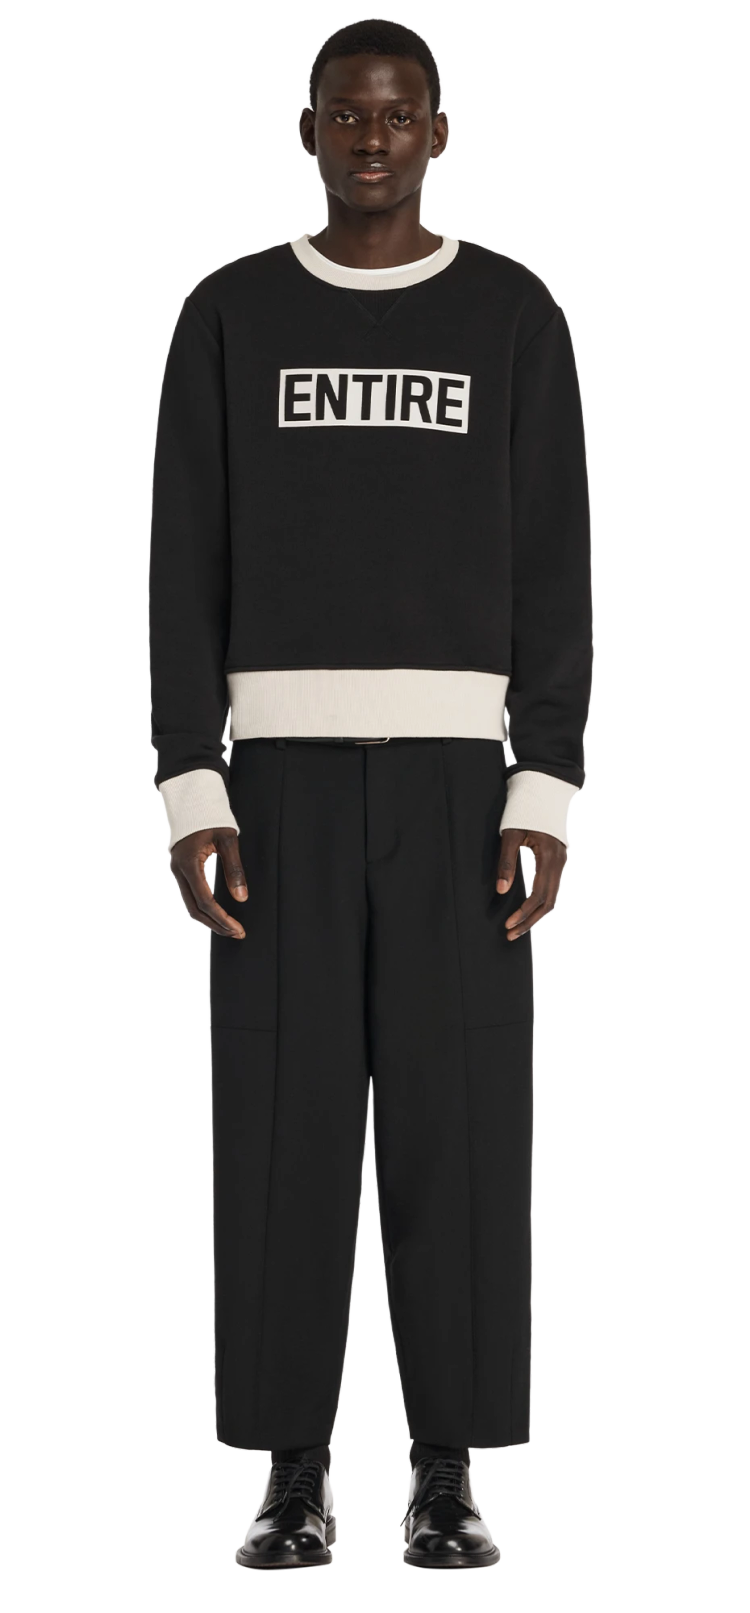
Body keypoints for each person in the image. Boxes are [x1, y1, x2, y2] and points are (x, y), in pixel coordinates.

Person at [148, 17, 593, 1571]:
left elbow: (552, 566)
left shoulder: (509, 317)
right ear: (308, 131)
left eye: (399, 115)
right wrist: (191, 783)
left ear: (439, 134)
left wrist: (542, 783)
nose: (373, 139)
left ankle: (445, 1475)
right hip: (273, 787)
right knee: (284, 1123)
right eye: (347, 114)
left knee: (453, 1123)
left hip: (462, 787)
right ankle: (289, 1476)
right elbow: (183, 562)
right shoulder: (231, 316)